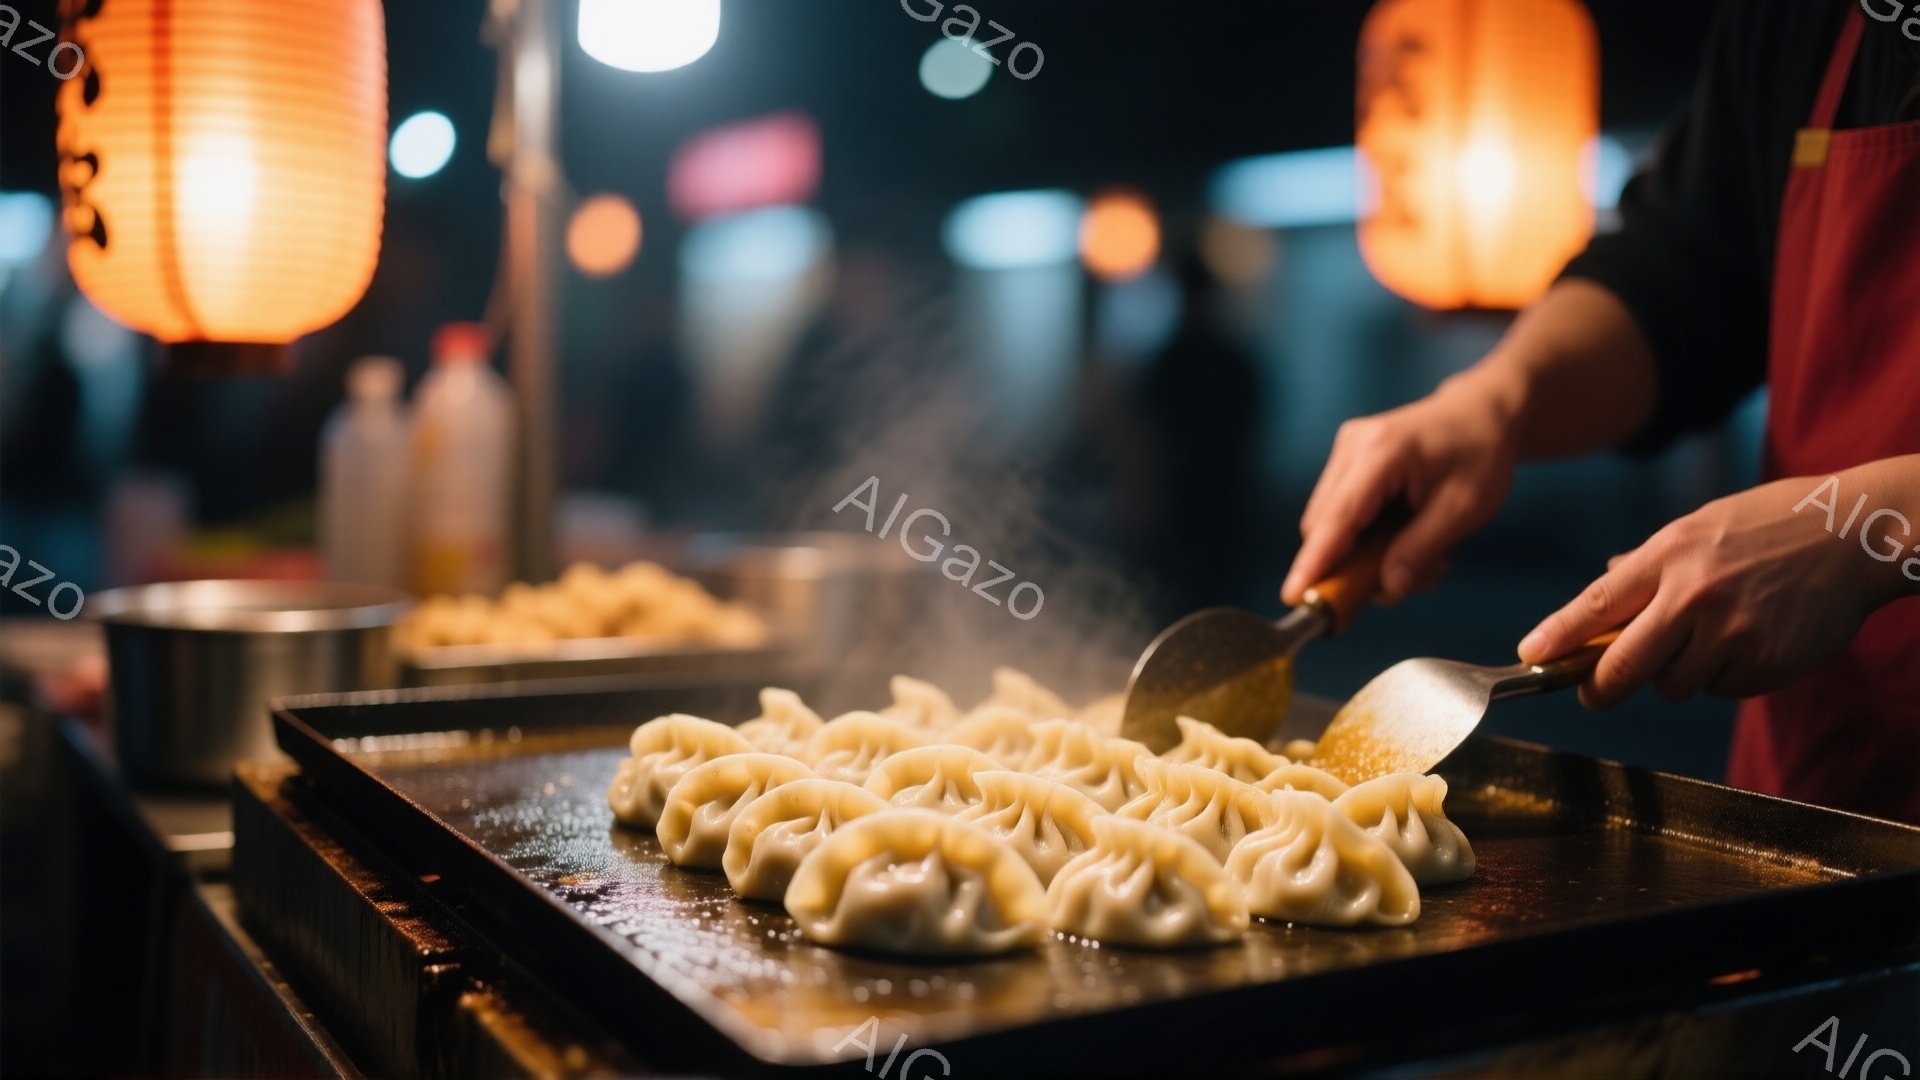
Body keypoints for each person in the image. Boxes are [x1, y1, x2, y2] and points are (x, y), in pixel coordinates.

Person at [1281, 0, 1920, 823]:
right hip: (1823, 800)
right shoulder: (1812, 18)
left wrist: (1871, 531)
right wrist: (1494, 400)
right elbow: (1683, 271)